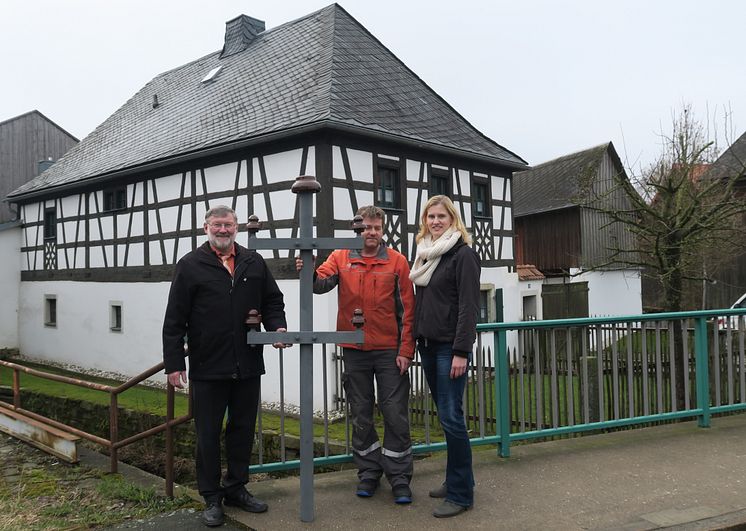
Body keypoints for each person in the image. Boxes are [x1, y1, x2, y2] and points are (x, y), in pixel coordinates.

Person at [163, 205, 288, 527]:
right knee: (207, 434)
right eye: (217, 225)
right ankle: (211, 497)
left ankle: (236, 488)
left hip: (247, 363)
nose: (223, 230)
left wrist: (277, 328)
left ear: (236, 228)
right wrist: (175, 363)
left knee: (243, 430)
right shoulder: (190, 265)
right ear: (206, 227)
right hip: (208, 365)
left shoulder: (253, 261)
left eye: (228, 225)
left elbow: (273, 300)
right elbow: (175, 320)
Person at [295, 205, 416, 504]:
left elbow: (408, 311)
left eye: (376, 227)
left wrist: (405, 350)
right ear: (357, 229)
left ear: (383, 229)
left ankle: (399, 477)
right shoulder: (341, 257)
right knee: (361, 414)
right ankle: (368, 473)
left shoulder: (398, 262)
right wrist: (307, 269)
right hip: (354, 349)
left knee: (395, 414)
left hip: (389, 351)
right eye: (365, 228)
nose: (370, 233)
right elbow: (320, 284)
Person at [410, 195, 480, 518]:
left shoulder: (462, 255)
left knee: (451, 418)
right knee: (449, 416)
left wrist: (461, 352)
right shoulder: (424, 256)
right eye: (430, 216)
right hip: (427, 344)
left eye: (442, 216)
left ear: (453, 219)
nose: (435, 221)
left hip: (449, 348)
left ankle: (461, 494)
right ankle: (457, 480)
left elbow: (469, 307)